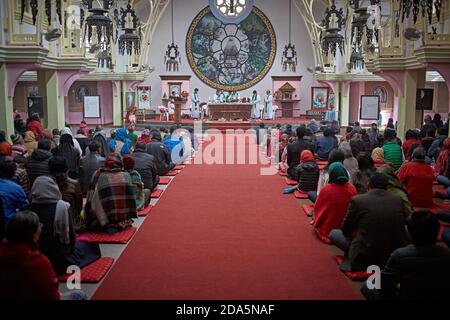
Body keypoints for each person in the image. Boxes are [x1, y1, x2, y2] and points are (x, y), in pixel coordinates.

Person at [361, 211, 450, 300]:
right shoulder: (446, 253)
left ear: (409, 233)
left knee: (368, 285)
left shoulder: (400, 255)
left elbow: (385, 285)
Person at [329, 173, 408, 272]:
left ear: (368, 185)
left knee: (334, 233)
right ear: (387, 187)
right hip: (391, 254)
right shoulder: (397, 200)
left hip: (365, 255)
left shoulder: (358, 200)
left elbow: (346, 229)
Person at [0, 211, 87, 300]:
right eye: (39, 226)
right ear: (33, 234)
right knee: (80, 295)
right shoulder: (38, 262)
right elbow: (52, 295)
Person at [29, 176, 101, 275]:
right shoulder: (61, 207)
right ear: (54, 188)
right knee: (90, 247)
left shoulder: (28, 208)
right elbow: (70, 239)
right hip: (60, 258)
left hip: (35, 256)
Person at [84, 153, 138, 233]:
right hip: (122, 219)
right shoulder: (126, 175)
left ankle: (106, 224)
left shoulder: (97, 174)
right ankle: (116, 224)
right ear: (120, 163)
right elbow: (131, 200)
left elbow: (89, 198)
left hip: (99, 220)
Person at [313, 162, 357, 242]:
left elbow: (318, 210)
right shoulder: (352, 189)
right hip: (347, 230)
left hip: (328, 229)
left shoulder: (326, 189)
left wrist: (316, 222)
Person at [49, 157, 84, 232]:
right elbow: (79, 207)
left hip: (48, 222)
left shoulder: (43, 183)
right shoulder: (74, 184)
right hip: (69, 221)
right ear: (66, 169)